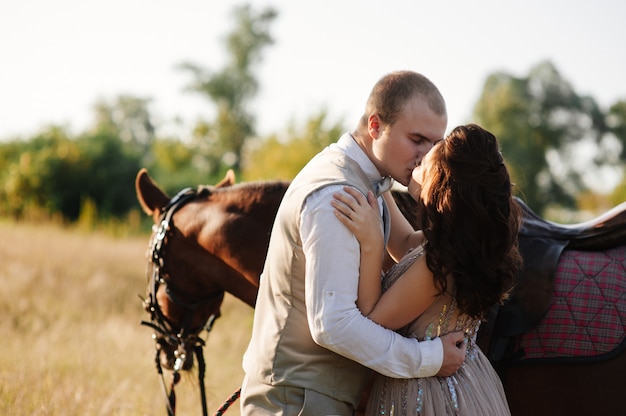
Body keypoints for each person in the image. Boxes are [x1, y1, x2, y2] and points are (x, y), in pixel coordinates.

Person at [240, 71, 467, 415]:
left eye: (435, 145)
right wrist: (429, 358)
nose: (426, 157)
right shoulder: (337, 195)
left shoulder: (371, 181)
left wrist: (475, 228)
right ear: (375, 125)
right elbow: (334, 325)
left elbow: (407, 245)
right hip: (299, 401)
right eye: (417, 139)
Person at [331, 124, 523, 415]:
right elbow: (405, 241)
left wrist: (371, 243)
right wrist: (376, 172)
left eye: (426, 161)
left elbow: (371, 320)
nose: (417, 159)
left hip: (432, 397)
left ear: (441, 184)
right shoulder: (453, 246)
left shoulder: (438, 266)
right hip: (468, 384)